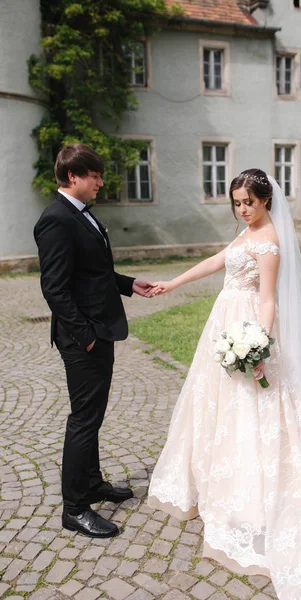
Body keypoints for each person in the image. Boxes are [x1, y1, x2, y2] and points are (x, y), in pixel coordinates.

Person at [147, 169, 301, 598]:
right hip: (223, 321)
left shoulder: (270, 243)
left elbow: (267, 299)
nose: (243, 210)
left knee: (256, 410)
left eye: (249, 202)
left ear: (266, 200)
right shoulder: (243, 236)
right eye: (237, 203)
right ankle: (216, 487)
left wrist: (259, 348)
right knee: (219, 405)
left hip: (248, 326)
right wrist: (171, 283)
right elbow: (216, 262)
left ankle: (254, 500)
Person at [34, 144, 153, 538]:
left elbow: (93, 272)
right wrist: (85, 336)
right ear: (73, 176)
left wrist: (128, 284)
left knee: (93, 415)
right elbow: (54, 288)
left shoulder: (81, 215)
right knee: (83, 420)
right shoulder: (56, 219)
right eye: (95, 175)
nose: (101, 182)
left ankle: (92, 483)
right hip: (83, 337)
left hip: (100, 329)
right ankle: (74, 507)